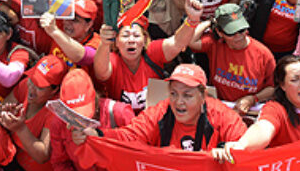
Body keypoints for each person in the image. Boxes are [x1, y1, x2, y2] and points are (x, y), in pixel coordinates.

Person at [82, 64, 245, 152]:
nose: (178, 102)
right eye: (173, 93)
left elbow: (243, 142)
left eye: (187, 95)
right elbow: (130, 135)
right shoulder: (161, 111)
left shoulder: (221, 114)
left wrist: (228, 149)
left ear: (203, 96)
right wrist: (98, 134)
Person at [94, 0, 203, 112]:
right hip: (122, 124)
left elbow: (177, 43)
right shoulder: (112, 59)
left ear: (144, 40)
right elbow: (101, 74)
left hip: (153, 120)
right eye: (125, 36)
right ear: (116, 41)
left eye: (136, 36)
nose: (131, 40)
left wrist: (192, 19)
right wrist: (105, 42)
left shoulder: (152, 52)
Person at [190, 3, 276, 112]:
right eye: (231, 32)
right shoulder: (215, 44)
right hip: (219, 107)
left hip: (248, 111)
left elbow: (273, 88)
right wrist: (209, 22)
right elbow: (191, 41)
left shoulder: (264, 54)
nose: (239, 36)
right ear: (219, 32)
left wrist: (252, 99)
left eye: (242, 30)